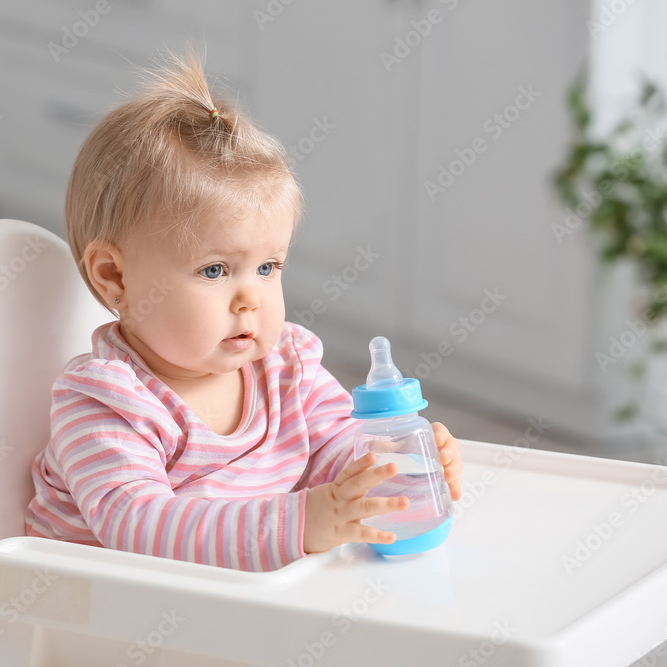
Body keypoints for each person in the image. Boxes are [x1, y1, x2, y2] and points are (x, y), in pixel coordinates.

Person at [25, 51, 463, 572]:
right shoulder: (104, 402)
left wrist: (387, 474)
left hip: (232, 608)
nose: (250, 298)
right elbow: (137, 526)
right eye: (215, 271)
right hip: (101, 621)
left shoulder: (286, 365)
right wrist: (303, 523)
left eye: (268, 267)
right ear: (115, 277)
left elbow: (333, 449)